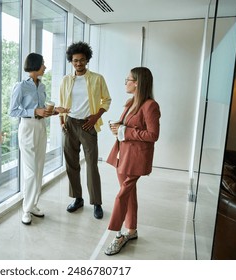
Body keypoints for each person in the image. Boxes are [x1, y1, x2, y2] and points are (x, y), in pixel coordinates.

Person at [104, 67, 161, 255]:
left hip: (136, 159)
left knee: (122, 195)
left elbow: (153, 135)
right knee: (129, 195)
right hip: (123, 155)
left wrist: (124, 131)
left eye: (127, 79)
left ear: (137, 82)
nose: (125, 82)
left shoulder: (150, 105)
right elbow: (127, 128)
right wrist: (118, 127)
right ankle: (132, 230)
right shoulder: (131, 102)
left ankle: (118, 234)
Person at [9, 53, 68, 225]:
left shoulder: (41, 86)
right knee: (31, 172)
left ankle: (33, 204)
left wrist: (57, 110)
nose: (45, 66)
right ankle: (26, 210)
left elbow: (44, 110)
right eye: (43, 64)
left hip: (41, 127)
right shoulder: (20, 87)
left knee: (40, 168)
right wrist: (34, 112)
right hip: (27, 128)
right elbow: (12, 111)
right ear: (35, 65)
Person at [59, 42, 112, 219]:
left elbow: (107, 100)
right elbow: (61, 104)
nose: (78, 64)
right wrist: (62, 122)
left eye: (82, 60)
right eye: (75, 61)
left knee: (91, 164)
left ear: (87, 60)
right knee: (71, 163)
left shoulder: (97, 79)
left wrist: (96, 116)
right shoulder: (66, 80)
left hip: (88, 125)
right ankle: (77, 198)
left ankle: (96, 202)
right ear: (71, 61)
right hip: (70, 124)